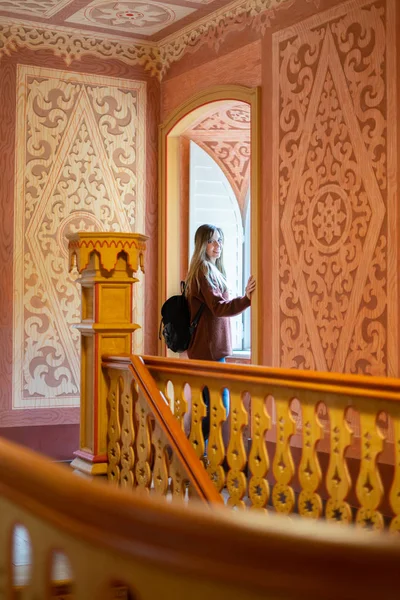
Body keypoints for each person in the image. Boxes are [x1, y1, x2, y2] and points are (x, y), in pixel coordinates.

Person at [185, 224, 256, 443]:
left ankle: (198, 458)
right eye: (212, 241)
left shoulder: (214, 271)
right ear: (202, 245)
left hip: (213, 351)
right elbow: (218, 307)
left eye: (220, 240)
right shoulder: (203, 271)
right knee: (215, 411)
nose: (218, 245)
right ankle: (197, 459)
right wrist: (246, 299)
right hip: (207, 353)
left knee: (210, 410)